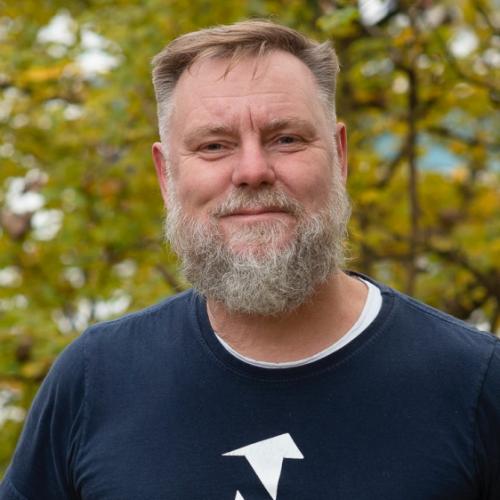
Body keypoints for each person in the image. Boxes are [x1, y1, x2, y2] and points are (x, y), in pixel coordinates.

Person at [1, 20, 499, 500]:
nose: (253, 170)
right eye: (214, 146)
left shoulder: (475, 382)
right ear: (166, 175)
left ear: (340, 156)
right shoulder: (96, 379)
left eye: (287, 139)